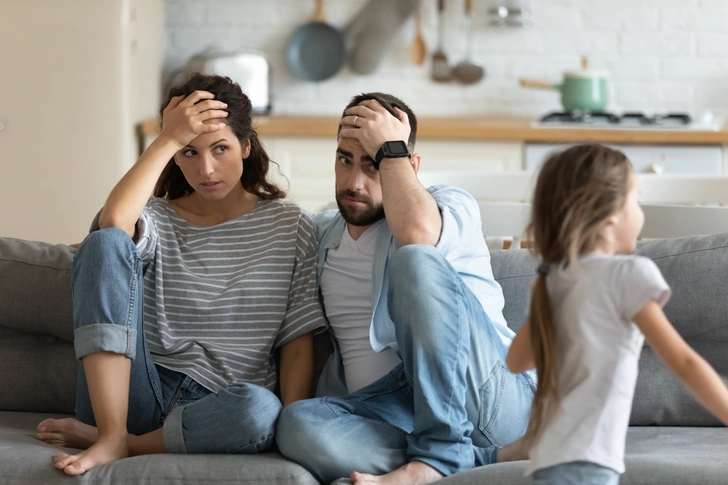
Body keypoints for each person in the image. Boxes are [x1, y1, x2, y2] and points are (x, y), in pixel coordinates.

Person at [35, 73, 327, 475]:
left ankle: (123, 445)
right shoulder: (155, 217)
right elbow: (115, 223)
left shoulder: (291, 225)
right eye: (189, 152)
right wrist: (168, 137)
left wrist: (297, 431)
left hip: (221, 408)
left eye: (220, 148)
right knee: (103, 241)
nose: (206, 169)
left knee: (262, 410)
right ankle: (112, 433)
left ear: (245, 146)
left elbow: (296, 340)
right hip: (132, 395)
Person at [275, 93, 535, 485]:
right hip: (392, 410)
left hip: (487, 396)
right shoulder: (320, 234)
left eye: (373, 164)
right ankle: (477, 459)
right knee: (296, 423)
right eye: (345, 160)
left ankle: (441, 453)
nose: (354, 182)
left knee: (415, 259)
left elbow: (417, 233)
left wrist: (390, 150)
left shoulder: (449, 205)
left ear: (408, 165)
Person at [506, 143, 728, 485]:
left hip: (547, 460)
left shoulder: (551, 281)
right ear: (610, 216)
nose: (640, 211)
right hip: (589, 461)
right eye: (636, 200)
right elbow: (683, 362)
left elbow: (516, 361)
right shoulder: (630, 275)